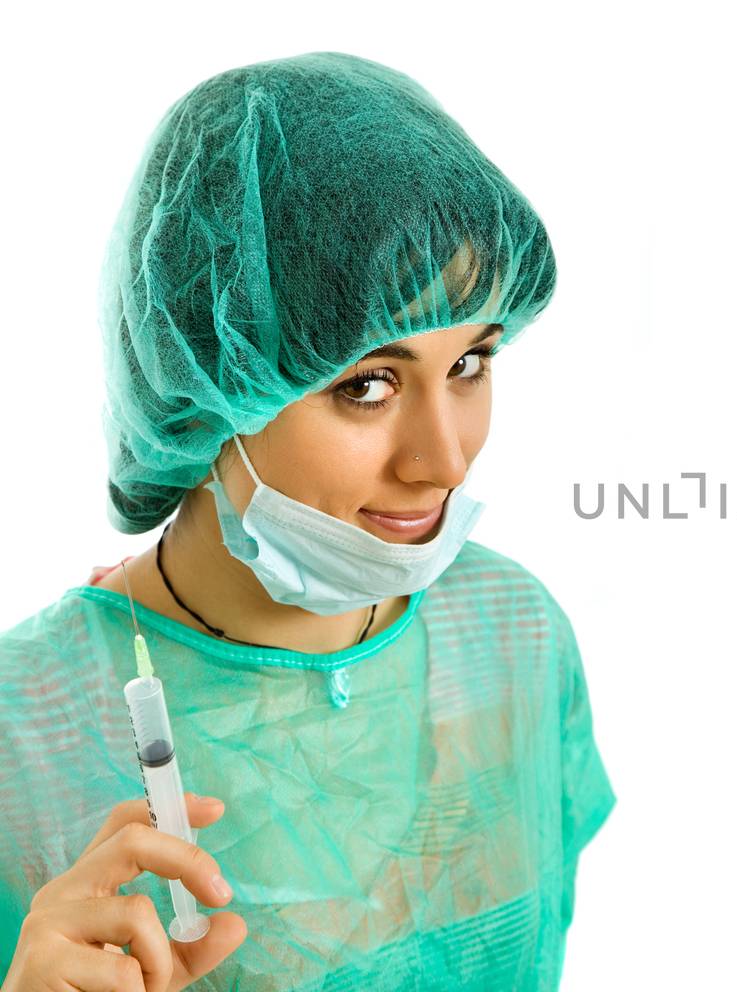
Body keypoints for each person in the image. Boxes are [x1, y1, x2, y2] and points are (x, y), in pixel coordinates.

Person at [0, 52, 614, 991]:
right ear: (206, 382)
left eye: (471, 364)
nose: (445, 461)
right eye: (367, 384)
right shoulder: (24, 729)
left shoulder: (514, 635)